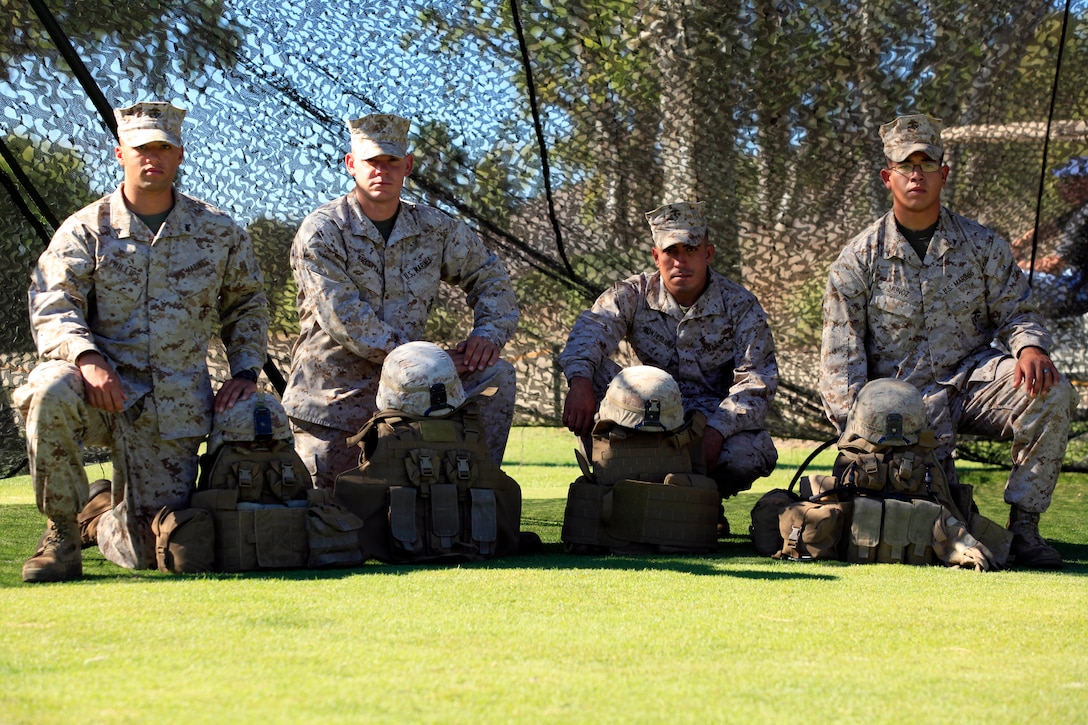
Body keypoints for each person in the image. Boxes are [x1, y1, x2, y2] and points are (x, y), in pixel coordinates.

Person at [16, 101, 270, 582]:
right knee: (48, 389)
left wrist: (243, 371)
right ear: (119, 153)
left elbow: (247, 304)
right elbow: (52, 301)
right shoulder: (87, 228)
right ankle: (63, 534)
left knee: (154, 547)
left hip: (170, 409)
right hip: (99, 392)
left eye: (162, 147)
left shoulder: (217, 231)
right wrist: (86, 357)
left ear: (179, 155)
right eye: (140, 149)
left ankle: (98, 516)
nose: (151, 157)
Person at [820, 113, 1076, 569]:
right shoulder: (858, 258)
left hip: (971, 379)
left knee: (1053, 391)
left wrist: (1030, 346)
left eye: (926, 163)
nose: (916, 174)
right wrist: (859, 437)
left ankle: (1025, 528)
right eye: (905, 165)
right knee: (928, 508)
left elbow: (1018, 311)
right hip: (901, 400)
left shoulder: (982, 245)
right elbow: (841, 362)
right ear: (888, 177)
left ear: (944, 172)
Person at [283, 113, 519, 488]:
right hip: (335, 400)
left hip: (412, 399)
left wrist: (487, 334)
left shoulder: (434, 228)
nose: (382, 170)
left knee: (496, 374)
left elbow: (490, 277)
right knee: (332, 522)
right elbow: (343, 316)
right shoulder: (323, 231)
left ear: (407, 166)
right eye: (371, 161)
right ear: (350, 165)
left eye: (391, 161)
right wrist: (427, 362)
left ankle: (476, 491)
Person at [558, 201, 779, 525]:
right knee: (587, 375)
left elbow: (757, 380)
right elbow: (589, 334)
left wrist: (717, 431)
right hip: (644, 413)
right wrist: (578, 382)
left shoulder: (739, 304)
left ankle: (702, 500)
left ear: (708, 253)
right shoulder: (631, 294)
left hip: (709, 417)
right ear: (656, 256)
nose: (680, 260)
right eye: (671, 250)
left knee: (748, 453)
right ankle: (621, 493)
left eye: (690, 249)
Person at [1010, 156, 1088, 317]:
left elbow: (1054, 265)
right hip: (1075, 286)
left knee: (1003, 278)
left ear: (1084, 182)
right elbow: (1050, 229)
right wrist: (1019, 244)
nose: (1061, 186)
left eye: (1067, 181)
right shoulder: (1080, 210)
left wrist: (1016, 264)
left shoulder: (1084, 217)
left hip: (1073, 291)